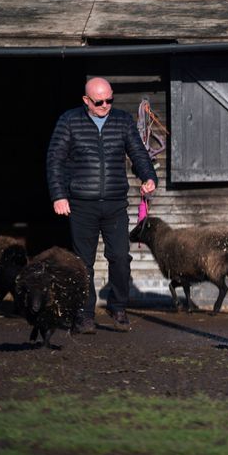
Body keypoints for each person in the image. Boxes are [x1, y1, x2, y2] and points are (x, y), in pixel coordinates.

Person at [47, 77, 157, 333]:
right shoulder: (69, 121)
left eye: (110, 99)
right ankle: (84, 315)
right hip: (81, 204)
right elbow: (55, 160)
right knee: (82, 262)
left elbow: (138, 153)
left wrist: (149, 177)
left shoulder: (122, 120)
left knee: (120, 256)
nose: (105, 105)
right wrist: (58, 195)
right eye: (99, 102)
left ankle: (118, 308)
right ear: (86, 100)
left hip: (115, 202)